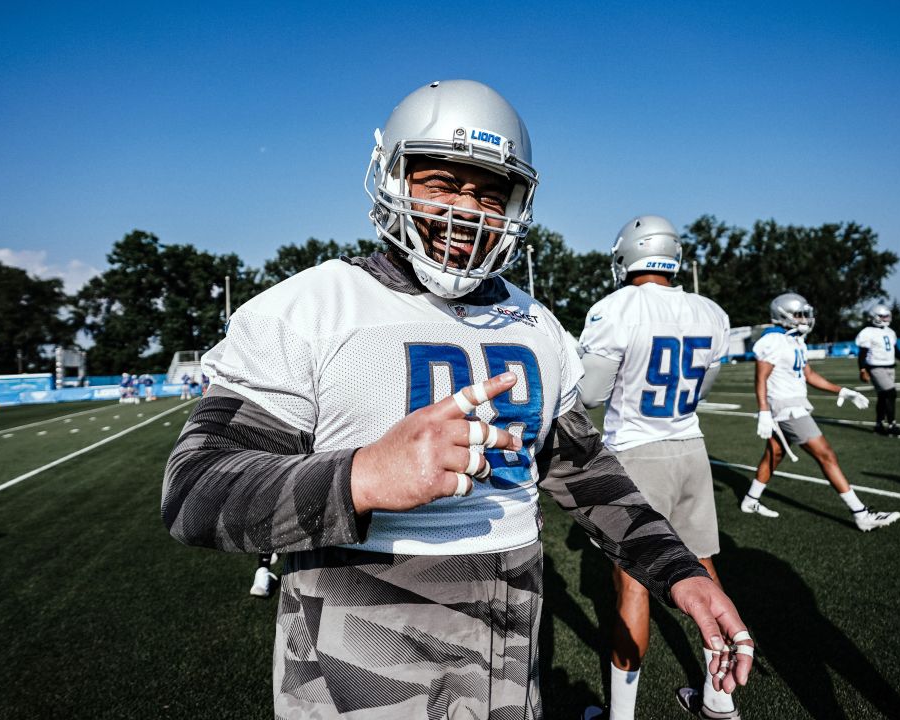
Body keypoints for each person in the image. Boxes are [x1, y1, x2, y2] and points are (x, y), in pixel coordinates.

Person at [162, 80, 754, 719]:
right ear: (392, 180)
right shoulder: (311, 307)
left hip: (508, 643)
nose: (465, 211)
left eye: (487, 193)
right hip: (356, 652)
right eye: (441, 183)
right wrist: (361, 476)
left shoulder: (537, 325)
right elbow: (194, 491)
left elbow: (584, 471)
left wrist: (679, 569)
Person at [576, 215, 739, 720]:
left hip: (637, 453)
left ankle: (622, 717)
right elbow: (703, 390)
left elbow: (589, 394)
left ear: (627, 254)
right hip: (690, 449)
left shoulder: (616, 308)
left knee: (634, 583)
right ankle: (719, 699)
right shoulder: (710, 311)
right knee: (705, 572)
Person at [742, 293, 900, 532]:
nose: (804, 318)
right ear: (783, 315)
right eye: (799, 314)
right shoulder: (773, 340)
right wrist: (764, 410)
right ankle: (861, 514)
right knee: (826, 455)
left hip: (793, 405)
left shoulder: (794, 340)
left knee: (774, 454)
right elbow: (761, 378)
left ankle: (750, 501)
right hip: (786, 408)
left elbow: (809, 375)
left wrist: (842, 391)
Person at [855, 303, 900, 438]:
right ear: (875, 317)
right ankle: (892, 426)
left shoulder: (890, 332)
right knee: (891, 393)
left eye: (887, 316)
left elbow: (896, 351)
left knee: (883, 396)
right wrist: (862, 369)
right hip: (875, 367)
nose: (886, 318)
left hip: (890, 367)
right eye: (882, 316)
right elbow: (862, 353)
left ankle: (879, 425)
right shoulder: (867, 332)